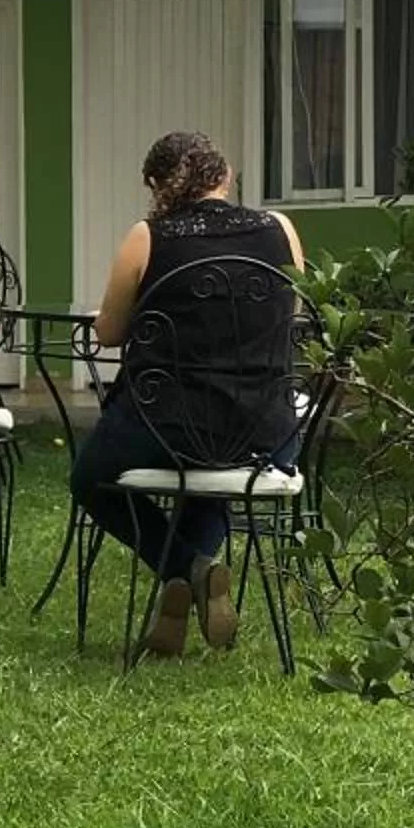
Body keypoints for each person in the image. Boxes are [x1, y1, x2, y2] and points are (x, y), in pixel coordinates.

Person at [70, 131, 304, 656]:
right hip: (263, 427)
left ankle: (187, 570)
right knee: (213, 480)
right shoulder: (281, 229)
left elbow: (108, 333)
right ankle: (196, 576)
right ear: (225, 176)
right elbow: (289, 316)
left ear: (159, 185)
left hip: (166, 422)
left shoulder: (147, 237)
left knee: (88, 479)